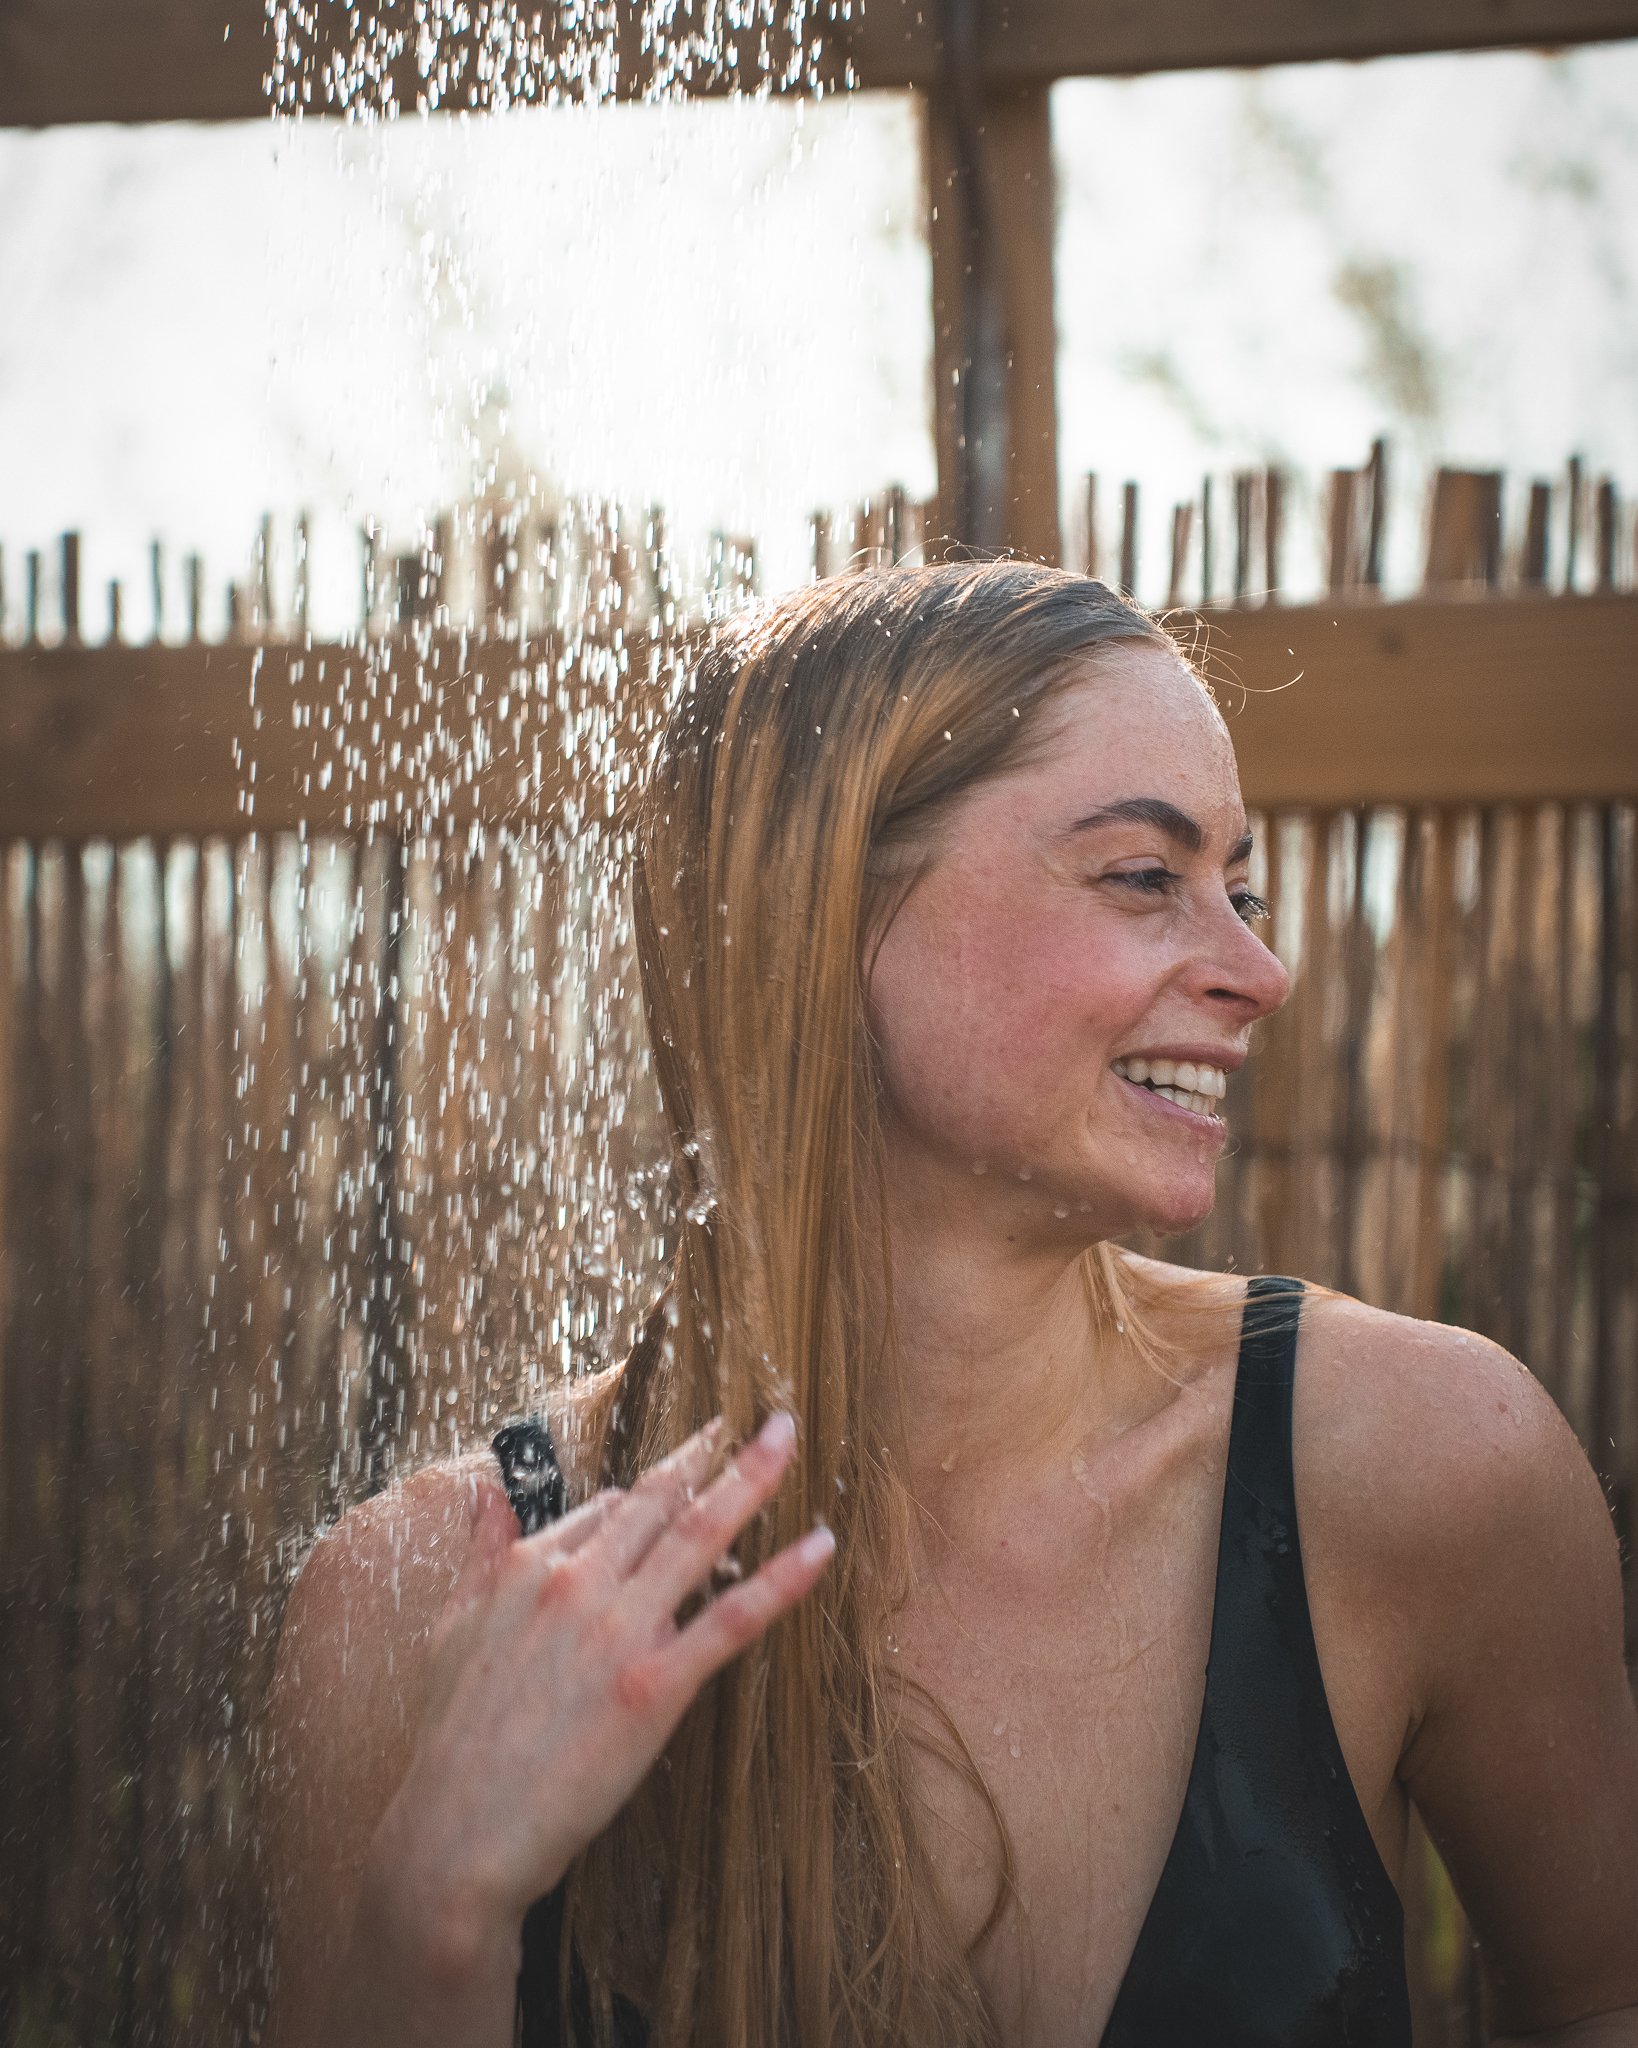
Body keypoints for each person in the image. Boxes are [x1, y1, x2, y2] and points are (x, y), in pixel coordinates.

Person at [264, 562, 1638, 2048]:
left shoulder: (1426, 1470)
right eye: (1141, 877)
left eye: (1239, 889)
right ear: (828, 915)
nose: (1259, 969)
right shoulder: (418, 1616)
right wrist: (436, 1920)